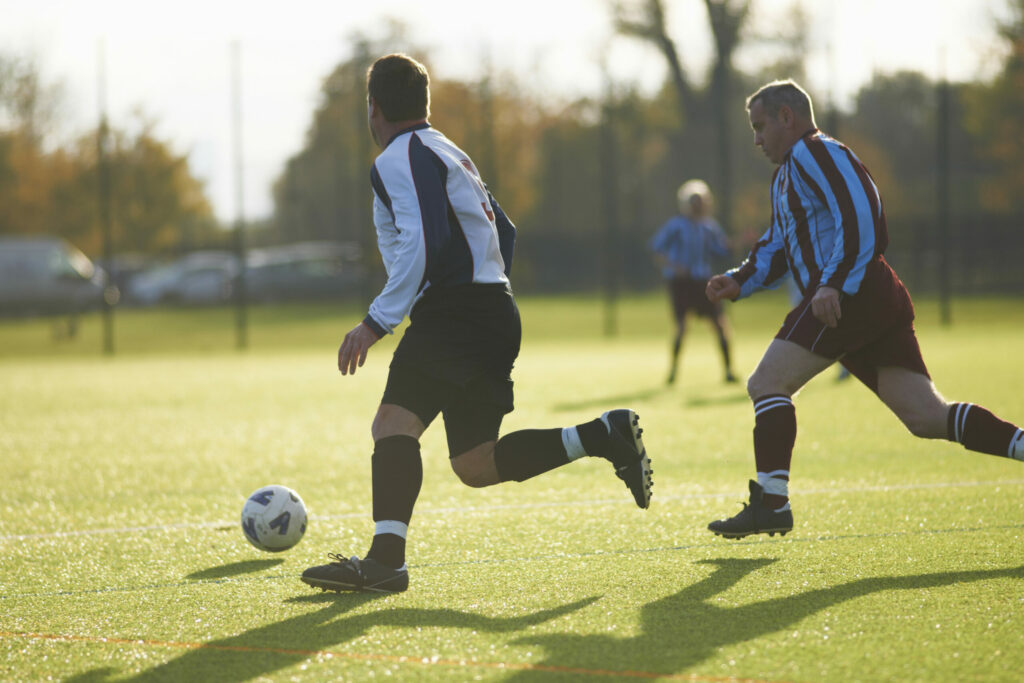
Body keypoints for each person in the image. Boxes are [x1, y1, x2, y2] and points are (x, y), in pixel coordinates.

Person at [301, 54, 653, 593]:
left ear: (373, 108)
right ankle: (601, 435)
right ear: (424, 104)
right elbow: (503, 230)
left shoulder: (401, 155)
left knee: (391, 424)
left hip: (457, 314)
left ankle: (386, 562)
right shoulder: (448, 149)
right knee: (475, 463)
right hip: (493, 310)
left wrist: (378, 321)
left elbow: (425, 240)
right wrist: (484, 289)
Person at [704, 79, 1023, 539]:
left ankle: (772, 505)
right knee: (927, 417)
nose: (756, 139)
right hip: (865, 297)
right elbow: (778, 246)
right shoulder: (788, 174)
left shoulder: (815, 152)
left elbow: (863, 211)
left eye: (759, 127)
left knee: (767, 383)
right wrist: (738, 280)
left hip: (846, 297)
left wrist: (832, 283)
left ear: (786, 118)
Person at [649, 179, 737, 385]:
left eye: (701, 201)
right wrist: (674, 266)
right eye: (694, 201)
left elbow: (721, 249)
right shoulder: (676, 226)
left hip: (703, 281)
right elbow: (657, 250)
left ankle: (728, 370)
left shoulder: (709, 226)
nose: (698, 205)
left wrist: (738, 244)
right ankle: (673, 371)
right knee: (681, 326)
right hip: (682, 282)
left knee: (719, 324)